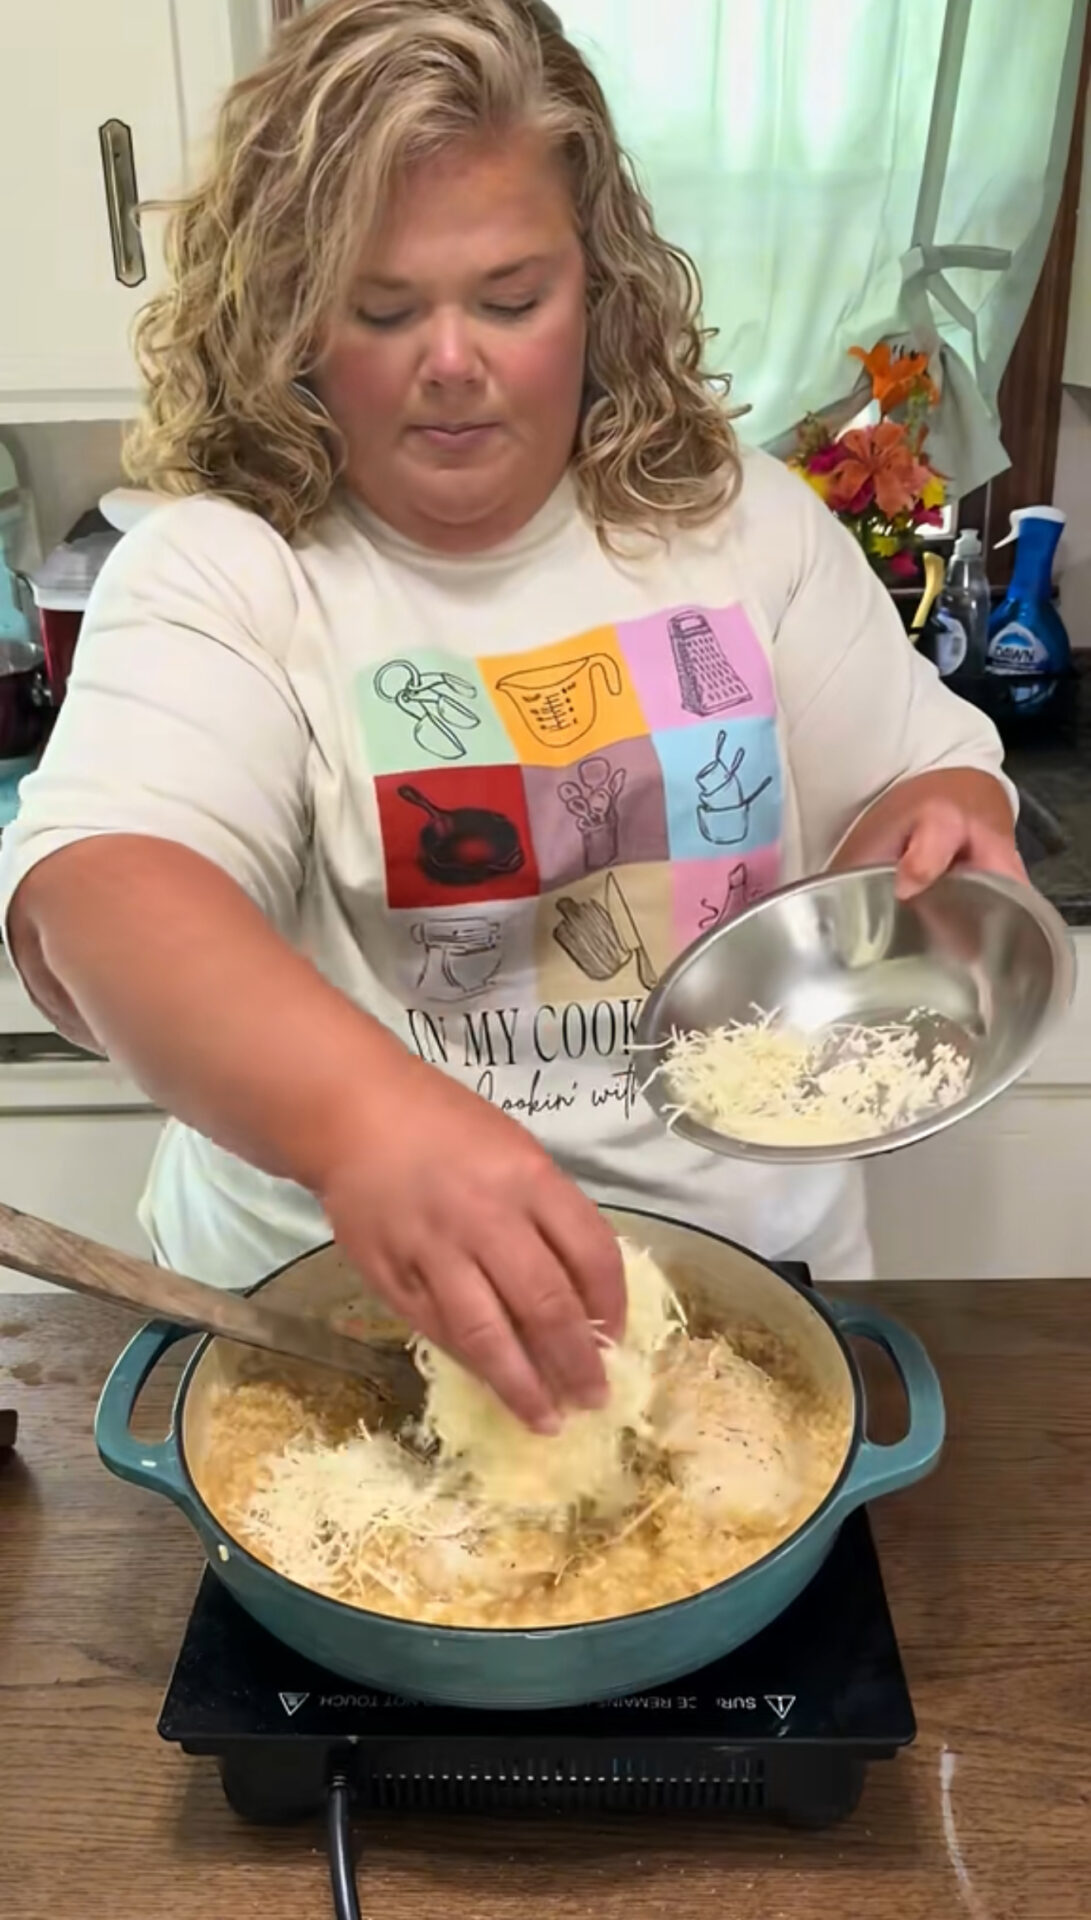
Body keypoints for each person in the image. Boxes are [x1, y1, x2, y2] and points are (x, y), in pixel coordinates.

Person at [0, 0, 1022, 1433]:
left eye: (509, 295)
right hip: (328, 1348)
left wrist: (940, 817)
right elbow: (98, 894)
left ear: (596, 288)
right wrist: (368, 1128)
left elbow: (908, 784)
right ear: (292, 314)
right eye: (383, 307)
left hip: (750, 1322)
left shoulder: (737, 528)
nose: (454, 360)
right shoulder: (227, 568)